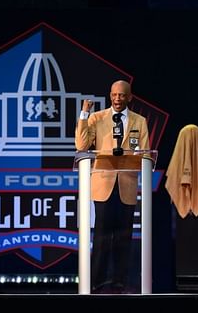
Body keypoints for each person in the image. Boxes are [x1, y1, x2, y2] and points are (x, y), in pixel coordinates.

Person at [75, 80, 150, 294]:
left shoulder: (140, 121)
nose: (118, 99)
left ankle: (120, 282)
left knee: (124, 237)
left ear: (129, 97)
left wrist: (137, 157)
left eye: (122, 95)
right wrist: (84, 115)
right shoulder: (97, 118)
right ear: (110, 96)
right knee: (101, 236)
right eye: (114, 95)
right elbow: (81, 146)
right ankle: (96, 282)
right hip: (104, 185)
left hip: (126, 185)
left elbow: (145, 153)